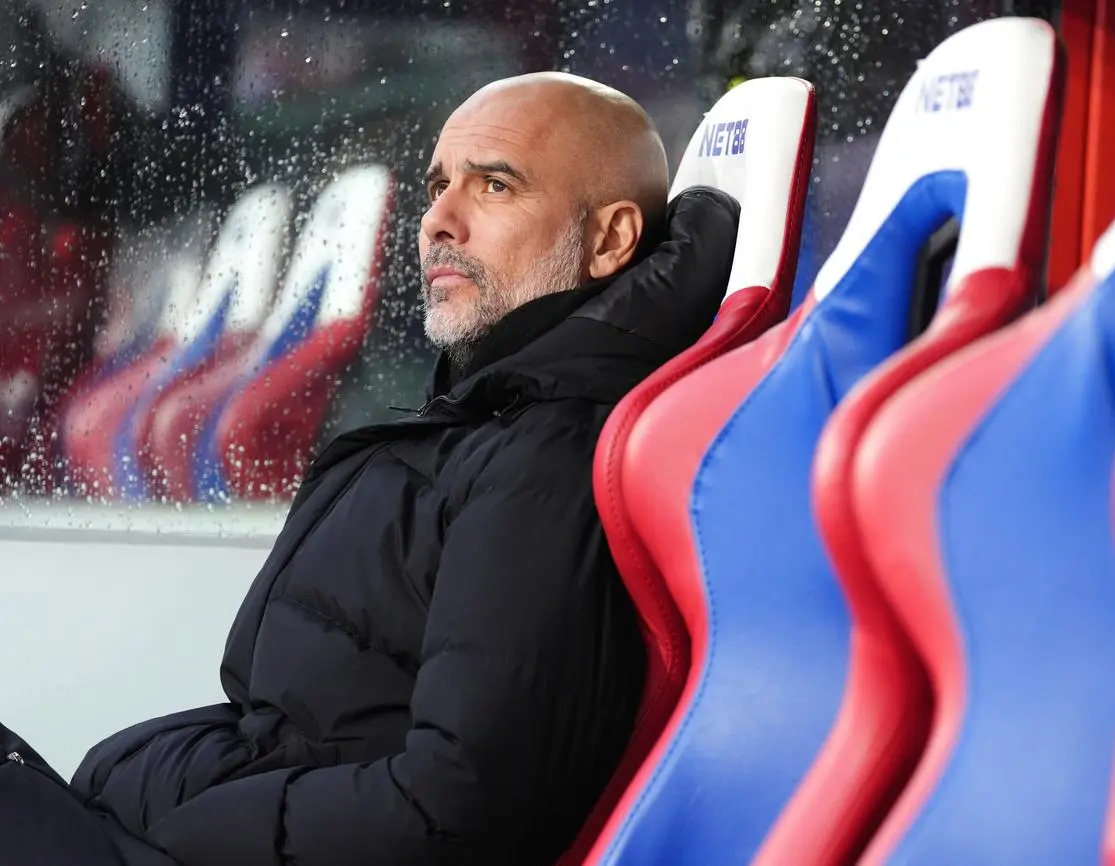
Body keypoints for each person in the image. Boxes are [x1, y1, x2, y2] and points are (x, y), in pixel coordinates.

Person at [0, 71, 740, 865]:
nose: (438, 222)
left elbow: (457, 803)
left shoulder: (539, 464)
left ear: (608, 241)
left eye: (494, 185)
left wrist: (177, 830)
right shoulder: (482, 422)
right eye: (436, 186)